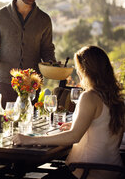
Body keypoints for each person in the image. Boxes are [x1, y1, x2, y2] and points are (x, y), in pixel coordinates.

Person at [12, 46, 125, 179]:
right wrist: (78, 125)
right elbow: (105, 130)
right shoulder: (116, 98)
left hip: (87, 172)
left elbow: (73, 137)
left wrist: (30, 140)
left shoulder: (90, 97)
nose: (77, 74)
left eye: (78, 70)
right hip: (112, 170)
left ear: (85, 71)